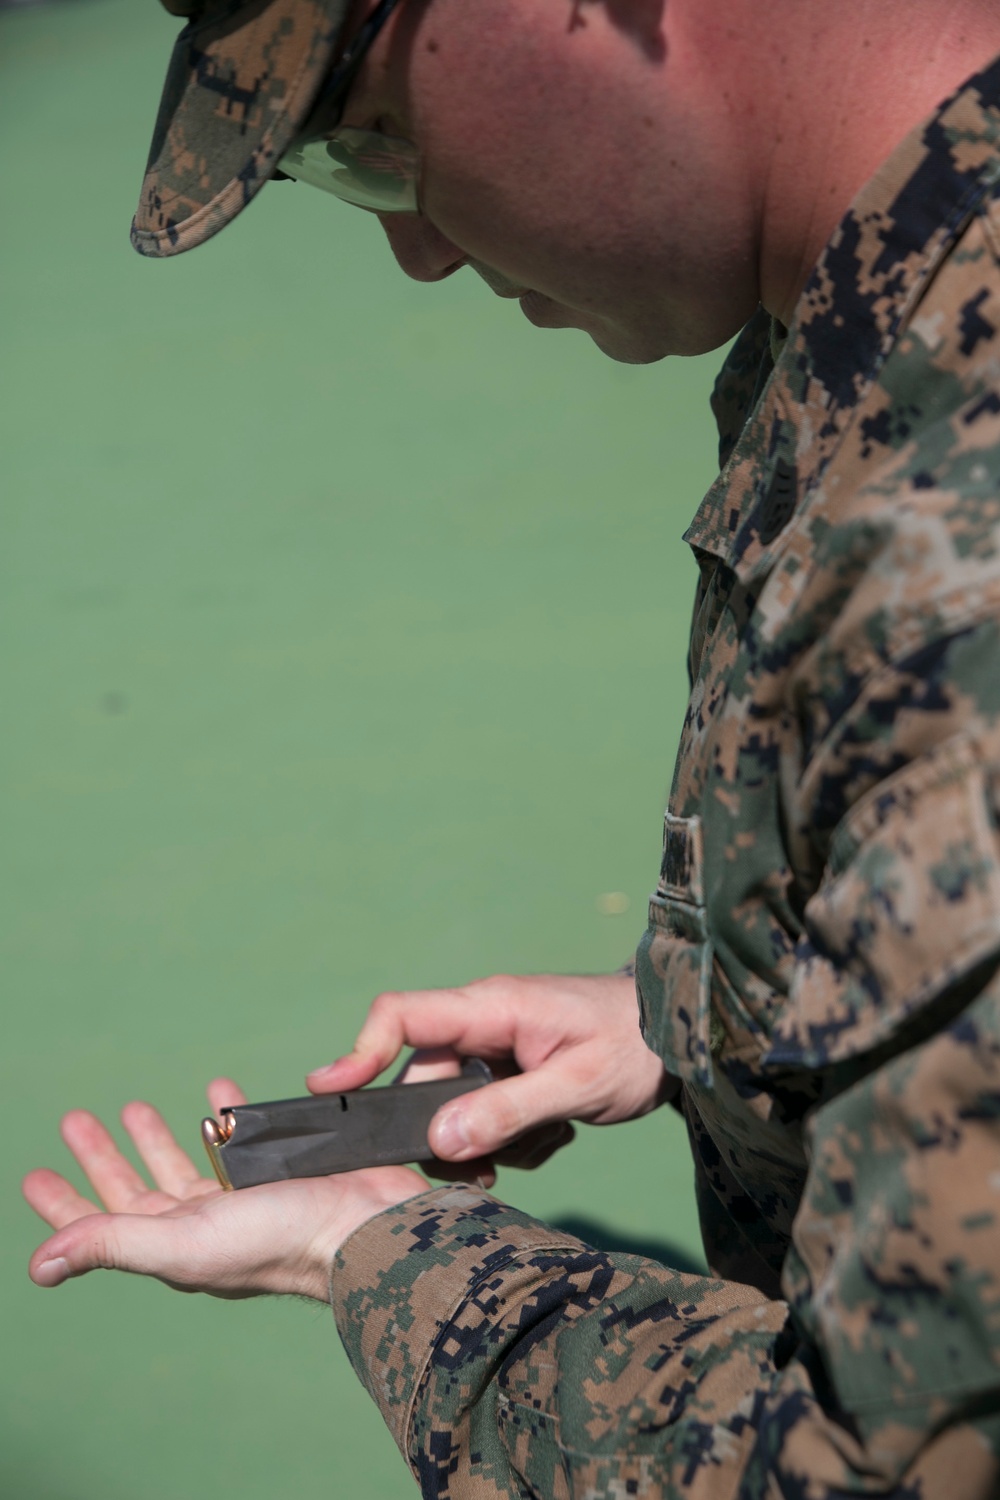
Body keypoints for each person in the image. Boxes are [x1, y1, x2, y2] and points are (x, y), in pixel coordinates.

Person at [23, 0, 1000, 1493]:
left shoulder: (958, 540)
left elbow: (877, 1468)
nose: (415, 244)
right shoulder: (900, 300)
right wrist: (716, 1015)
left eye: (368, 137)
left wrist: (382, 1255)